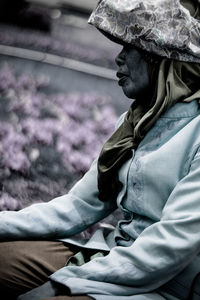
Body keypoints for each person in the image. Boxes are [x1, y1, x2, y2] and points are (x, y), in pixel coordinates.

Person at [1, 0, 200, 299]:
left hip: (165, 286)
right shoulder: (134, 121)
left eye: (128, 48)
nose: (118, 60)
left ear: (158, 59)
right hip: (109, 256)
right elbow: (76, 207)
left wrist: (66, 282)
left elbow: (167, 248)